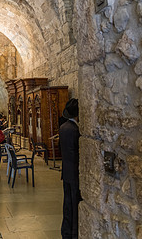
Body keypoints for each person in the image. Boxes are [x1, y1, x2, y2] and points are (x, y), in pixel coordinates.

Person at [59, 98, 82, 239]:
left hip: (66, 171)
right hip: (74, 172)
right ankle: (73, 234)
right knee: (74, 204)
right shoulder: (75, 130)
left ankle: (66, 231)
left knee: (67, 204)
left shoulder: (63, 128)